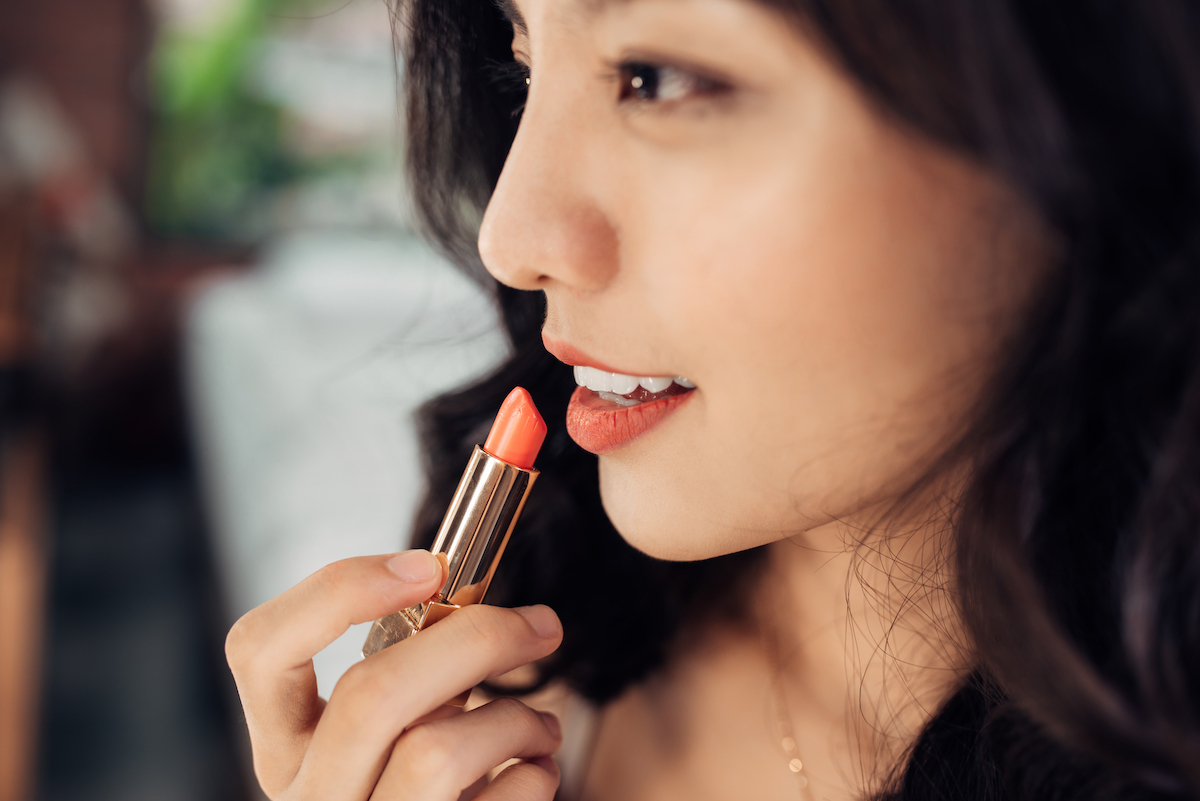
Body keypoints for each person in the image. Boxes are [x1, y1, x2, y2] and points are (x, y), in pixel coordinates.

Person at [223, 0, 1200, 798]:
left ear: (1090, 113)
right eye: (520, 72)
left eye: (658, 77)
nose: (511, 238)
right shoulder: (529, 667)